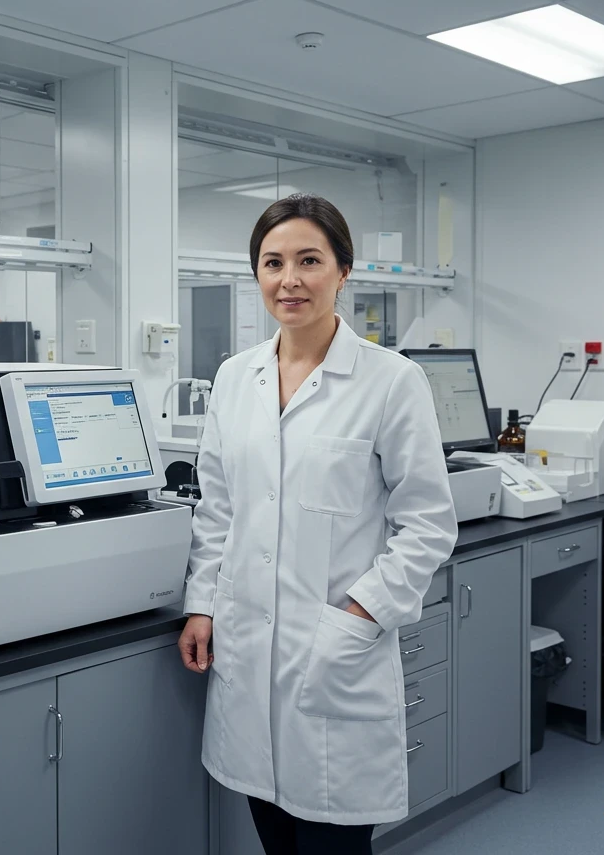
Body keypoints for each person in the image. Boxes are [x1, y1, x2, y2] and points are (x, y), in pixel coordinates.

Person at [177, 193, 457, 855]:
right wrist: (202, 605)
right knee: (275, 838)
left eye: (309, 260)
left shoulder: (391, 381)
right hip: (247, 656)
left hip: (336, 652)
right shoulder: (234, 379)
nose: (290, 280)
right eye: (273, 263)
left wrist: (360, 615)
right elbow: (218, 508)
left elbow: (428, 524)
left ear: (343, 271)